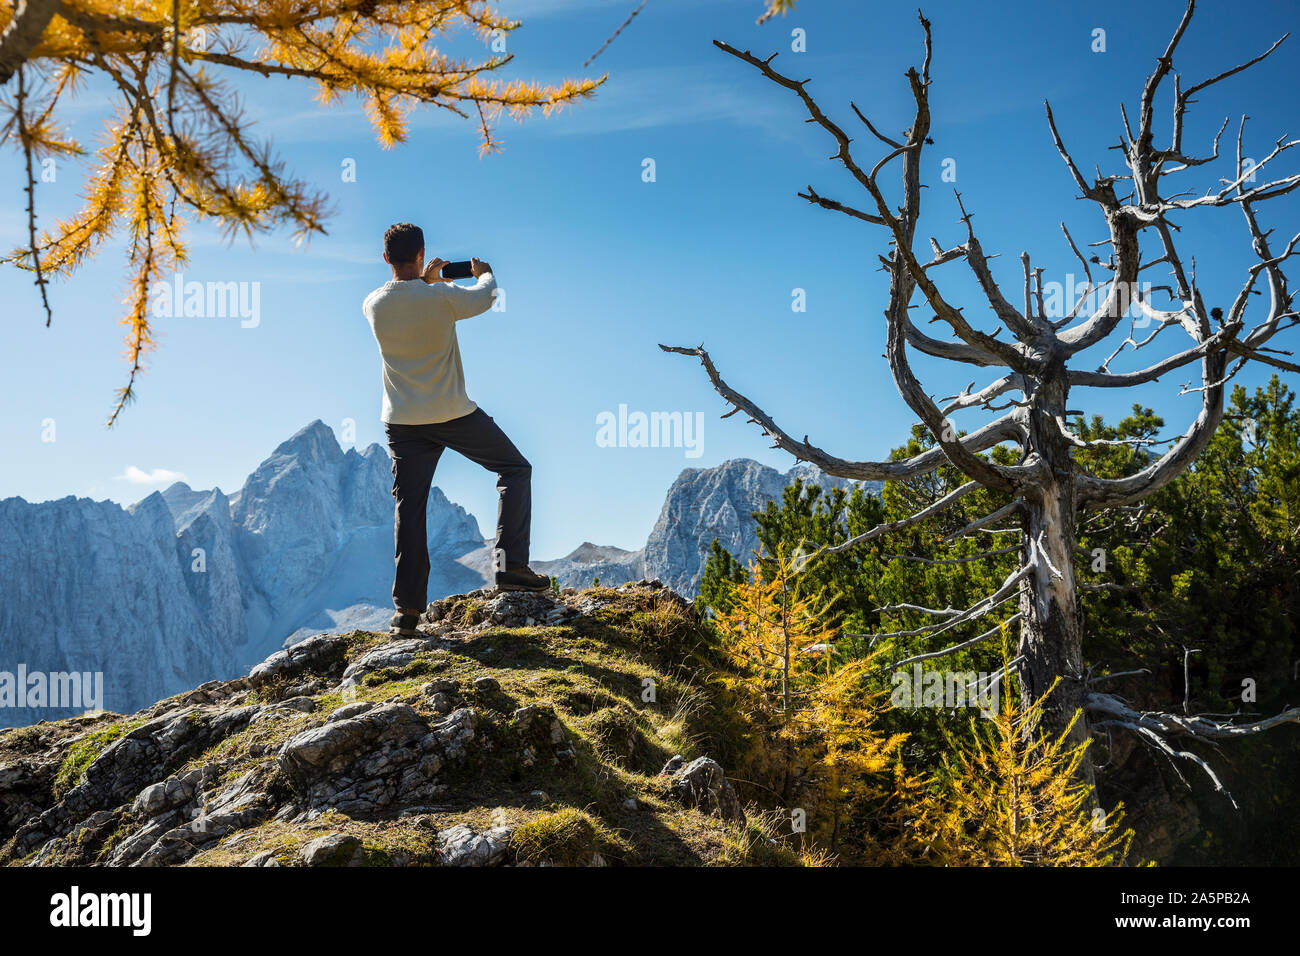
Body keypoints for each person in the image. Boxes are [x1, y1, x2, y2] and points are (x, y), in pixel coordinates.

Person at [363, 222, 549, 637]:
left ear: (385, 258)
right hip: (452, 413)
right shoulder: (444, 298)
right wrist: (483, 271)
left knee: (409, 509)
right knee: (515, 470)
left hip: (402, 422)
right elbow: (486, 296)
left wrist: (425, 282)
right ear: (422, 252)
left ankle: (407, 611)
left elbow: (405, 297)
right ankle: (511, 568)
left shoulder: (373, 304)